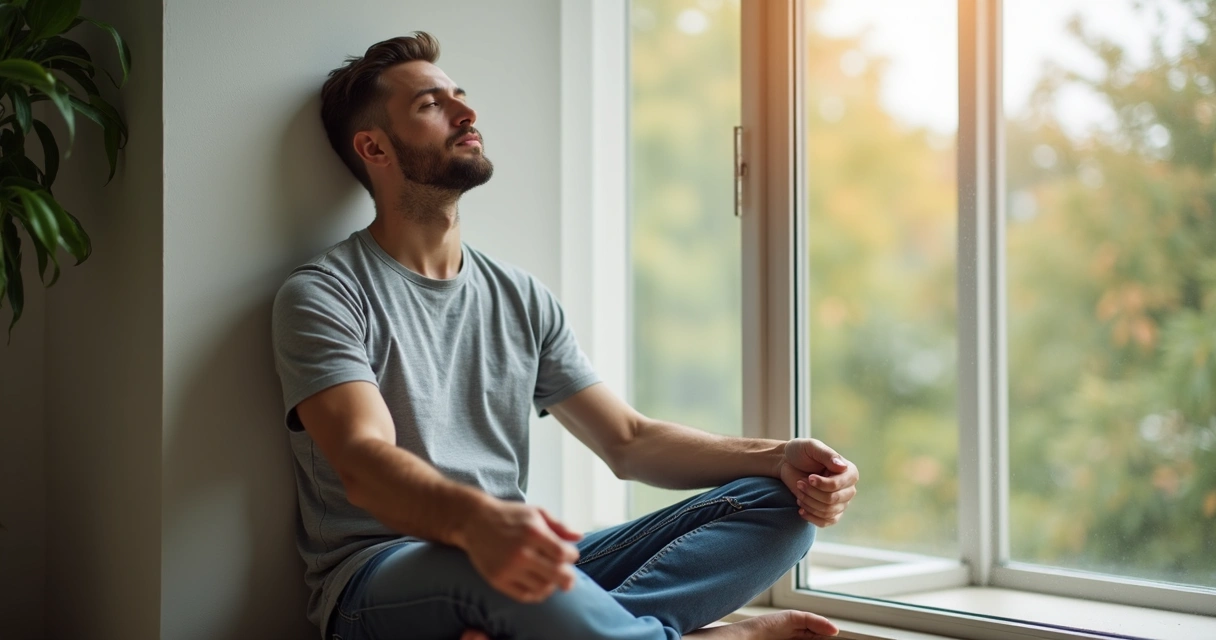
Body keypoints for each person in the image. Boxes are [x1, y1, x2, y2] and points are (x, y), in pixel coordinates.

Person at [272, 32, 859, 640]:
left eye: (461, 98)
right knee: (500, 568)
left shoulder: (520, 297)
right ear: (374, 147)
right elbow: (366, 464)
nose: (466, 112)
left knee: (781, 506)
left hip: (511, 560)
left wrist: (781, 456)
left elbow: (628, 440)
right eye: (431, 104)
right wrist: (479, 523)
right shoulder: (324, 292)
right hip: (379, 581)